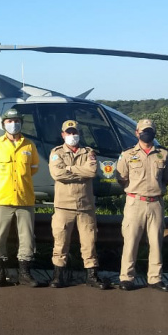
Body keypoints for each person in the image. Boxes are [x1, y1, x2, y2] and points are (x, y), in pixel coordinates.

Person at [114, 118, 168, 292]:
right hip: (135, 202)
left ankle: (155, 278)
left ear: (154, 132)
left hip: (156, 202)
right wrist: (135, 191)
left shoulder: (163, 154)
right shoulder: (127, 154)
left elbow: (167, 178)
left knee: (156, 242)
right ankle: (126, 278)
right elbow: (121, 178)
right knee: (131, 241)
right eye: (143, 130)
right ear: (137, 132)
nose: (146, 133)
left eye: (149, 130)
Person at [0, 108, 41, 287]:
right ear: (3, 124)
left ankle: (25, 274)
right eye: (9, 121)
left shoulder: (29, 145)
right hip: (1, 198)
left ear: (21, 123)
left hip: (24, 199)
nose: (13, 124)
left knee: (27, 238)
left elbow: (33, 168)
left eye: (16, 120)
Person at [48, 119, 110, 289]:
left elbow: (91, 171)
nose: (72, 135)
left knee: (89, 243)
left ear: (79, 134)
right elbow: (57, 174)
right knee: (60, 243)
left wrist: (69, 169)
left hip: (85, 206)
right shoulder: (56, 152)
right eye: (69, 132)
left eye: (75, 132)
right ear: (63, 135)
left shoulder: (88, 152)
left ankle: (92, 276)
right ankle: (57, 277)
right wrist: (77, 171)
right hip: (63, 206)